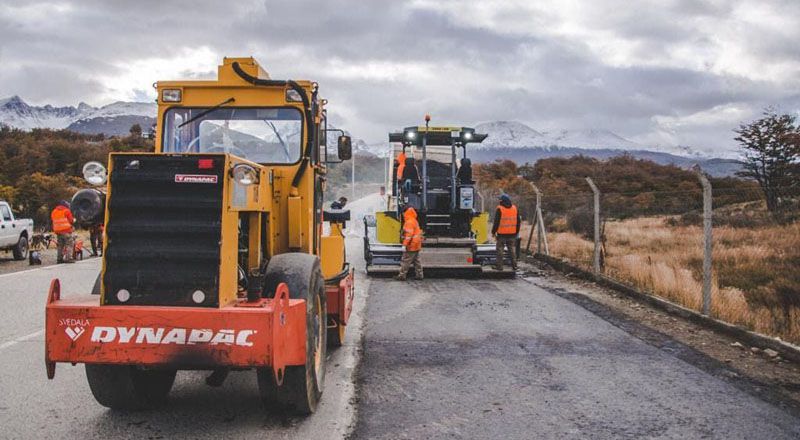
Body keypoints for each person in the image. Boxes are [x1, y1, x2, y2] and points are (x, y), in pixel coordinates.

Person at [492, 194, 521, 271]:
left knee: (500, 250)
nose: (499, 201)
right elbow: (518, 221)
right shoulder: (514, 208)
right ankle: (515, 266)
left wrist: (493, 232)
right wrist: (516, 231)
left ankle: (499, 267)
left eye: (500, 200)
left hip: (501, 234)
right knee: (512, 250)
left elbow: (496, 222)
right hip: (512, 234)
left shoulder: (500, 209)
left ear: (502, 201)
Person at [394, 207, 424, 281]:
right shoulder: (414, 220)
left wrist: (404, 245)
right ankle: (419, 275)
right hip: (416, 244)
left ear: (405, 212)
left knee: (406, 261)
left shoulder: (409, 222)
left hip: (411, 245)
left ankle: (402, 276)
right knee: (417, 261)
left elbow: (408, 235)